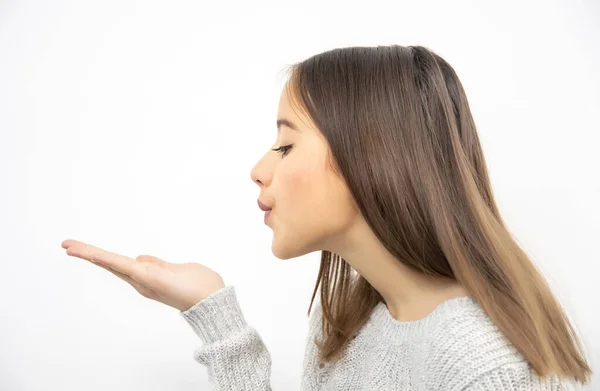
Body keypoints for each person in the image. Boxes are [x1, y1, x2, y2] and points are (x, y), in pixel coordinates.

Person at [61, 44, 592, 390]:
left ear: (371, 154)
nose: (258, 169)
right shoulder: (346, 318)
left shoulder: (481, 365)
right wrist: (214, 316)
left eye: (286, 145)